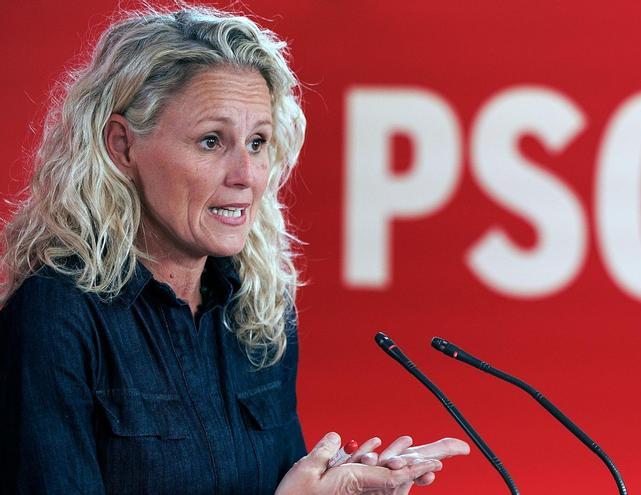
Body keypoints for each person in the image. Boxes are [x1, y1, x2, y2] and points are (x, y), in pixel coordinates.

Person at [0, 5, 468, 494]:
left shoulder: (259, 308)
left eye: (258, 142)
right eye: (211, 141)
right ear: (122, 146)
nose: (246, 175)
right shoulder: (55, 318)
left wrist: (340, 486)